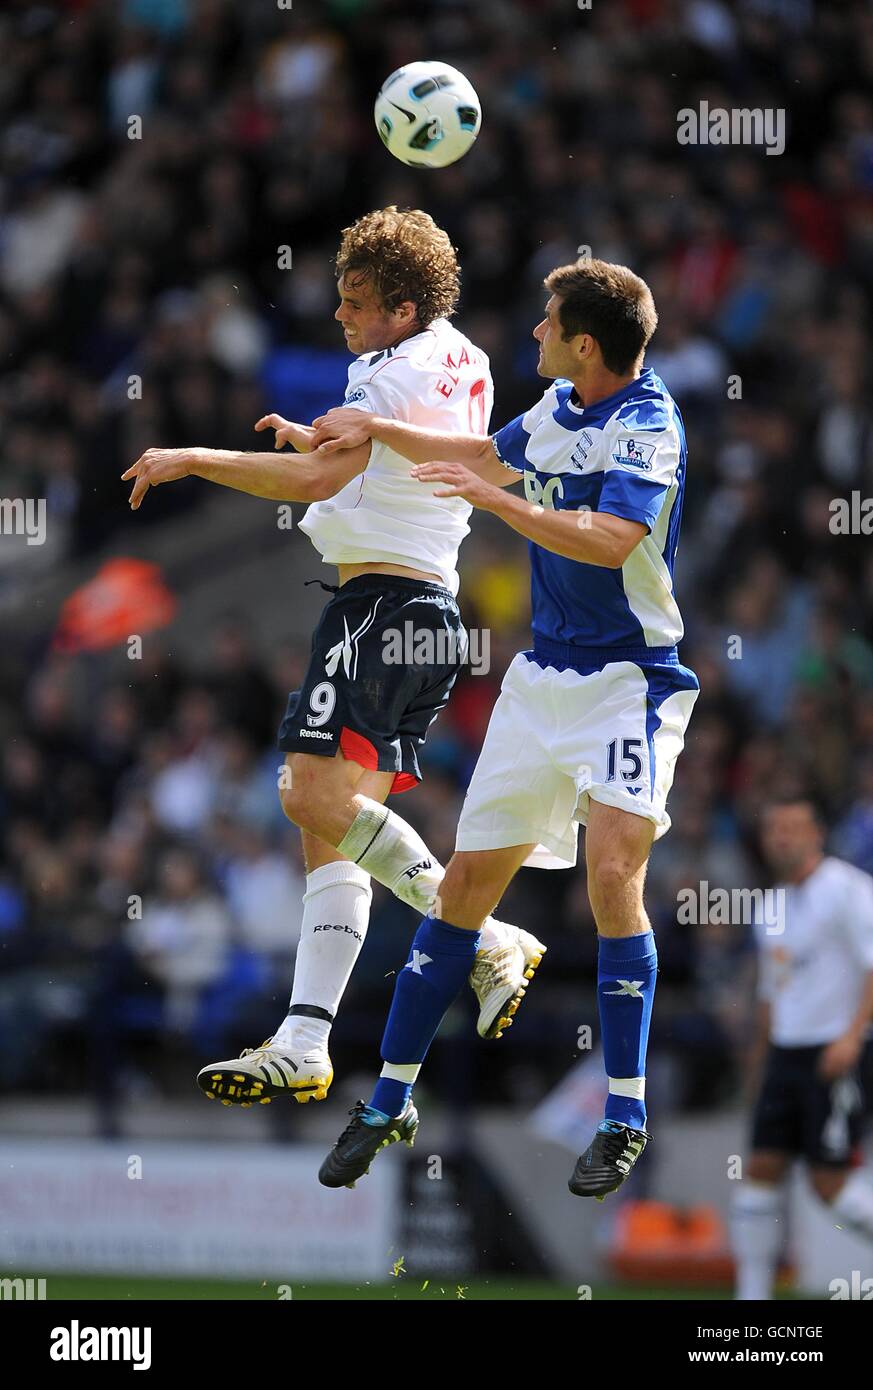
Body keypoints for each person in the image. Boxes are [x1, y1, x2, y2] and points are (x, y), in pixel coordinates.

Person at [122, 206, 545, 1109]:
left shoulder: (392, 371)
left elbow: (319, 482)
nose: (342, 318)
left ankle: (478, 935)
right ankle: (305, 1038)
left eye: (356, 303)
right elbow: (362, 461)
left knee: (304, 795)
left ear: (401, 305)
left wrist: (196, 457)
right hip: (418, 609)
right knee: (329, 834)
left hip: (383, 606)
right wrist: (327, 437)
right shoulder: (457, 355)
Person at [307, 256, 699, 1198]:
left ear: (586, 343)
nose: (533, 335)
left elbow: (612, 539)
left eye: (547, 323)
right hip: (539, 683)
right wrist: (375, 426)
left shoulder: (647, 424)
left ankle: (622, 1115)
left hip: (628, 684)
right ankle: (389, 1098)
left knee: (612, 874)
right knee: (465, 888)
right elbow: (486, 452)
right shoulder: (558, 409)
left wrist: (501, 506)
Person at [732, 796, 873, 1300]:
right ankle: (752, 1297)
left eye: (793, 827)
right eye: (774, 829)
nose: (782, 838)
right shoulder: (769, 906)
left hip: (832, 1053)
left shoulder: (849, 890)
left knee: (829, 1186)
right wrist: (758, 1064)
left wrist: (853, 1035)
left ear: (817, 834)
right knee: (760, 1173)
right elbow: (772, 993)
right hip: (784, 1057)